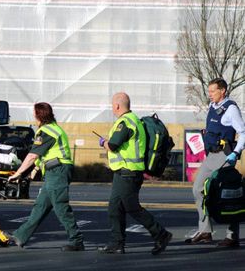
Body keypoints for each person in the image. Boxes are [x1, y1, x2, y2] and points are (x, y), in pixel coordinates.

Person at [98, 92, 172, 255]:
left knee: (131, 207)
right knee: (114, 208)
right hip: (124, 173)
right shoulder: (134, 120)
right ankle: (117, 243)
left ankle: (161, 234)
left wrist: (103, 142)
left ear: (117, 105)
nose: (112, 108)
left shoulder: (125, 122)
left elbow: (114, 145)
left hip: (128, 173)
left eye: (112, 105)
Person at [6, 102, 85, 251]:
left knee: (61, 207)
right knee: (40, 207)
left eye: (34, 113)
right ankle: (20, 236)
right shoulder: (53, 129)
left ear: (39, 115)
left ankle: (77, 240)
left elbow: (32, 155)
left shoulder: (46, 131)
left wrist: (18, 173)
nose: (34, 116)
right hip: (54, 171)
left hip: (57, 171)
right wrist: (35, 170)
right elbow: (45, 155)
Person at [185, 78, 244, 248]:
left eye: (213, 91)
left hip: (225, 157)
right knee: (197, 189)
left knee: (228, 194)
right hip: (211, 156)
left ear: (223, 91)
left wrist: (235, 153)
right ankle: (205, 231)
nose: (209, 94)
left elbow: (243, 132)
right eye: (209, 91)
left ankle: (232, 236)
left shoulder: (231, 109)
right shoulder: (213, 106)